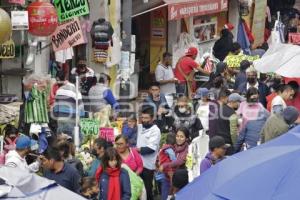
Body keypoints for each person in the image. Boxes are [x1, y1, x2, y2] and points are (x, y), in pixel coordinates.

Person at [136, 107, 161, 200]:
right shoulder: (140, 127)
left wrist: (136, 150)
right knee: (138, 189)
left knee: (147, 191)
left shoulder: (155, 130)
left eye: (146, 118)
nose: (144, 120)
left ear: (152, 118)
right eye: (142, 118)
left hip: (148, 166)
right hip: (137, 164)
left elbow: (150, 149)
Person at [235, 88, 270, 152]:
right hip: (242, 131)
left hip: (253, 136)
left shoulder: (260, 106)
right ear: (248, 97)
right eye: (252, 98)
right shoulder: (243, 104)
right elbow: (237, 115)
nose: (254, 100)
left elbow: (267, 118)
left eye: (256, 98)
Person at [159, 128, 189, 200]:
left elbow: (179, 161)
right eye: (177, 136)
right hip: (167, 178)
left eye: (181, 137)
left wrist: (164, 165)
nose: (179, 138)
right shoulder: (171, 145)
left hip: (178, 183)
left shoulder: (187, 149)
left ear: (186, 138)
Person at [157, 133, 176, 200]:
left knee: (165, 190)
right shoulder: (169, 149)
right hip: (168, 170)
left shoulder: (163, 148)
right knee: (170, 187)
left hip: (163, 171)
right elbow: (173, 159)